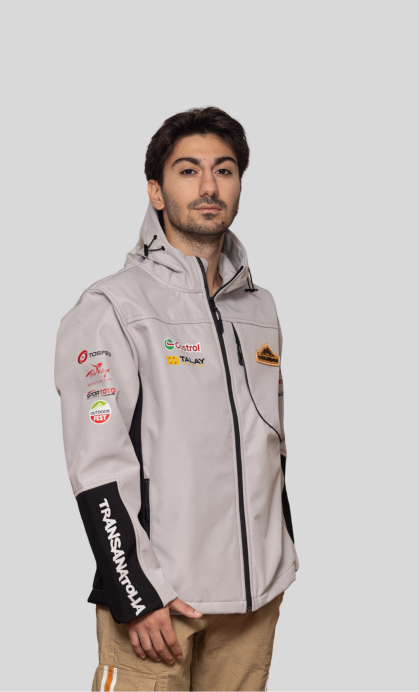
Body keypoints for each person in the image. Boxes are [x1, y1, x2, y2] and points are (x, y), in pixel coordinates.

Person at [55, 107, 299, 692]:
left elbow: (271, 446)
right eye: (188, 170)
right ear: (156, 191)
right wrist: (134, 591)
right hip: (161, 604)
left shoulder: (259, 308)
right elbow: (97, 467)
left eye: (224, 170)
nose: (209, 186)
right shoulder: (111, 308)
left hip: (253, 602)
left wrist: (279, 559)